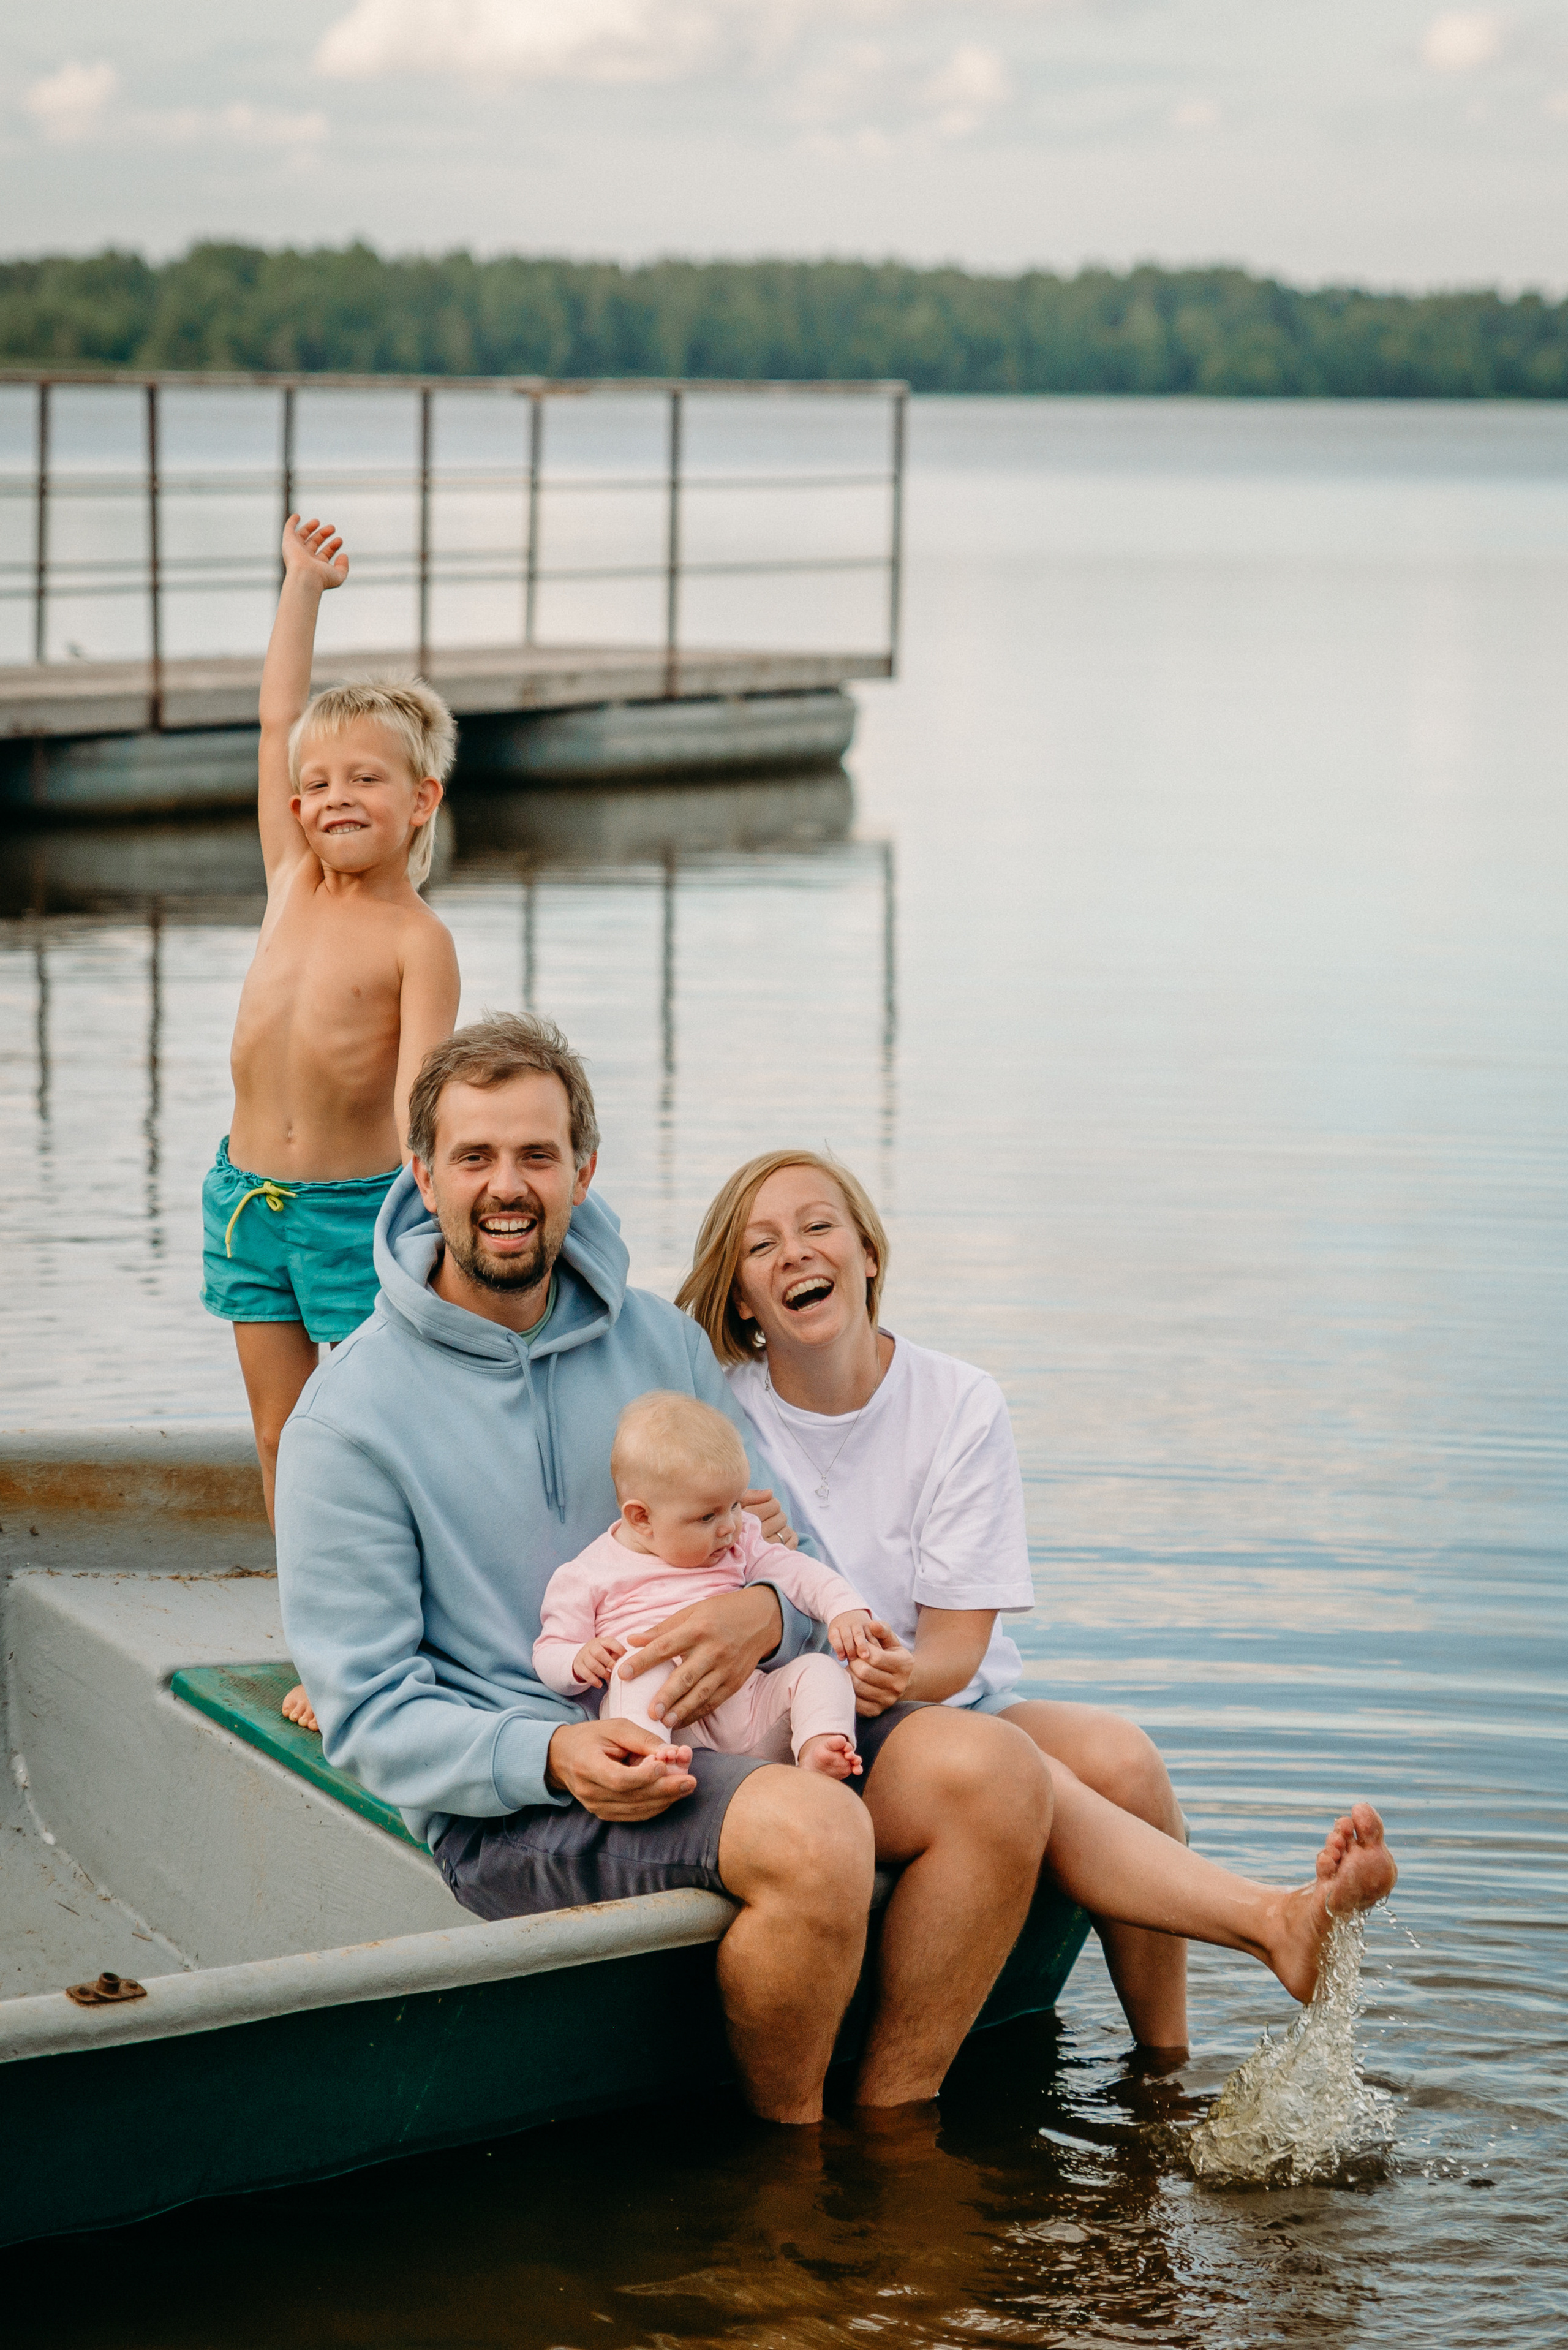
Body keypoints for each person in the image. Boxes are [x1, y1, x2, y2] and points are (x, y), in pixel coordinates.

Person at [275, 1013, 1060, 2123]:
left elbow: (791, 1557)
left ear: (583, 1172)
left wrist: (762, 1618)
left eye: (538, 1155)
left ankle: (893, 2127)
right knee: (817, 1831)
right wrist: (550, 1750)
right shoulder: (347, 1419)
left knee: (999, 1774)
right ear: (422, 1175)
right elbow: (368, 1712)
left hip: (738, 1708)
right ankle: (786, 2169)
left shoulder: (663, 1345)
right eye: (477, 1156)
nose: (510, 1186)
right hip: (523, 1792)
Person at [677, 1147, 1398, 2055]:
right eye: (761, 1246)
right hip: (813, 1722)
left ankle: (1163, 2067)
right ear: (741, 1298)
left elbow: (954, 1657)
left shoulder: (956, 1401)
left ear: (868, 1253)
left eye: (819, 1226)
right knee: (1021, 1776)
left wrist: (898, 1671)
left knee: (1126, 1762)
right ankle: (1270, 1921)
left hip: (932, 1691)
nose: (795, 1253)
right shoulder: (721, 1422)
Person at [202, 512, 460, 1544]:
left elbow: (423, 1091)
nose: (332, 796)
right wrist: (303, 586)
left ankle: (386, 1615)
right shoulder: (288, 883)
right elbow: (277, 724)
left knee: (362, 1429)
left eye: (365, 778)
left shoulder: (417, 939)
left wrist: (430, 1205)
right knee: (280, 1432)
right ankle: (313, 1626)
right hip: (247, 1203)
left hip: (357, 1215)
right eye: (318, 784)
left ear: (419, 801)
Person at [533, 1389, 883, 1782]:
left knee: (820, 1670)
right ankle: (646, 1761)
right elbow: (549, 1651)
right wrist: (578, 1659)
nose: (730, 1526)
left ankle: (818, 1747)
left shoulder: (741, 1539)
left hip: (751, 1714)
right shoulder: (587, 1574)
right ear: (641, 1518)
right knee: (640, 1665)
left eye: (735, 1504)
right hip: (666, 1726)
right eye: (707, 1516)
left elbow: (799, 1572)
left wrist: (844, 1608)